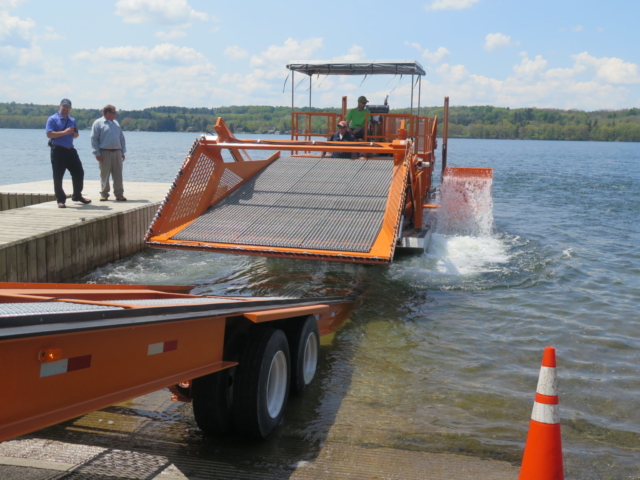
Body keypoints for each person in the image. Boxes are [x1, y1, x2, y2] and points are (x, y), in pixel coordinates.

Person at [45, 99, 91, 208]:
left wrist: (75, 133)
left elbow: (75, 136)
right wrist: (64, 132)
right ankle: (61, 200)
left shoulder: (72, 120)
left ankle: (77, 195)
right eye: (64, 106)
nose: (65, 109)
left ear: (70, 108)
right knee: (58, 176)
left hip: (70, 150)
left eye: (68, 107)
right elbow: (49, 134)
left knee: (79, 172)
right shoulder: (52, 119)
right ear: (59, 106)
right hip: (58, 150)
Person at [91, 105, 127, 201]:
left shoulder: (116, 123)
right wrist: (97, 153)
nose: (116, 114)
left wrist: (123, 152)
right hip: (104, 152)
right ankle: (104, 194)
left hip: (117, 152)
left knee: (118, 174)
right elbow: (94, 139)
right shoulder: (98, 123)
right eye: (114, 112)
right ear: (108, 113)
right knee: (104, 174)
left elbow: (121, 138)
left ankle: (119, 194)